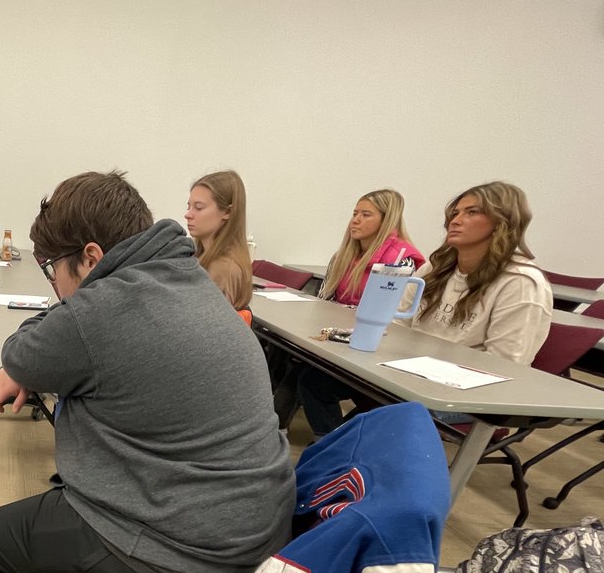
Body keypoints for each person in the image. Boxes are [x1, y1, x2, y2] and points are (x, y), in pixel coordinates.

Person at [0, 171, 294, 573]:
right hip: (252, 539)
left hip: (192, 566)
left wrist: (49, 334)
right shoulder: (185, 273)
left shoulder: (101, 312)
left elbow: (22, 351)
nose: (54, 284)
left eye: (51, 269)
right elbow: (66, 324)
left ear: (90, 257)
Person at [298, 181, 552, 436]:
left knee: (390, 415)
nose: (455, 220)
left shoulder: (521, 283)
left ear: (503, 221)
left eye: (472, 212)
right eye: (455, 213)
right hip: (408, 374)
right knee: (316, 380)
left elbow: (504, 366)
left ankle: (350, 453)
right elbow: (397, 324)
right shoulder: (434, 269)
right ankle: (332, 448)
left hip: (464, 394)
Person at [276, 190, 425, 426]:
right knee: (286, 353)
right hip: (339, 336)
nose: (355, 220)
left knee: (306, 373)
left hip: (373, 345)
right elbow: (324, 300)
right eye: (355, 213)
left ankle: (324, 441)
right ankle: (293, 433)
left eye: (366, 215)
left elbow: (393, 318)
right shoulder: (343, 255)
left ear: (386, 220)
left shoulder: (401, 261)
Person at [184, 170, 253, 310]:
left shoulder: (223, 269)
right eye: (188, 207)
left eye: (198, 207)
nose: (188, 214)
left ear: (227, 212)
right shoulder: (202, 258)